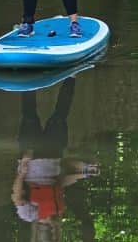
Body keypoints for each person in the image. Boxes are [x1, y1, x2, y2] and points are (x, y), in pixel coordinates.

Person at [11, 78, 98, 240]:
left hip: (31, 157)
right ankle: (71, 78)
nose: (49, 231)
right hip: (53, 154)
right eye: (52, 234)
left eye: (46, 235)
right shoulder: (58, 210)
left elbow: (16, 195)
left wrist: (23, 167)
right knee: (60, 116)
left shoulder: (28, 215)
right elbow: (59, 182)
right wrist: (85, 172)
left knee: (29, 115)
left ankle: (29, 75)